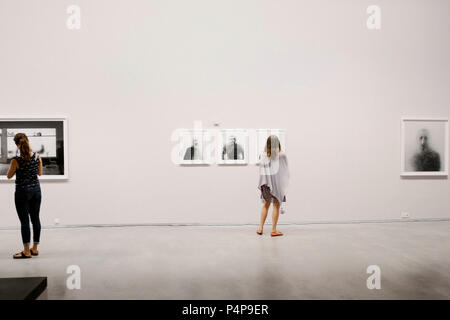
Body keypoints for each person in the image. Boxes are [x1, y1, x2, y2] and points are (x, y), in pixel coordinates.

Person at [7, 133, 43, 259]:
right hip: (36, 191)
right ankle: (35, 248)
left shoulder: (15, 160)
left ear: (17, 144)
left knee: (24, 221)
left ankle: (26, 251)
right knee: (35, 219)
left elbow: (9, 176)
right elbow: (40, 173)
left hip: (22, 192)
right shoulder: (37, 157)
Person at [257, 135, 289, 237]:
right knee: (276, 206)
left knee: (266, 205)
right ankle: (273, 230)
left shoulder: (263, 155)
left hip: (266, 184)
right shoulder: (282, 155)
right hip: (277, 186)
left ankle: (260, 228)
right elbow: (285, 171)